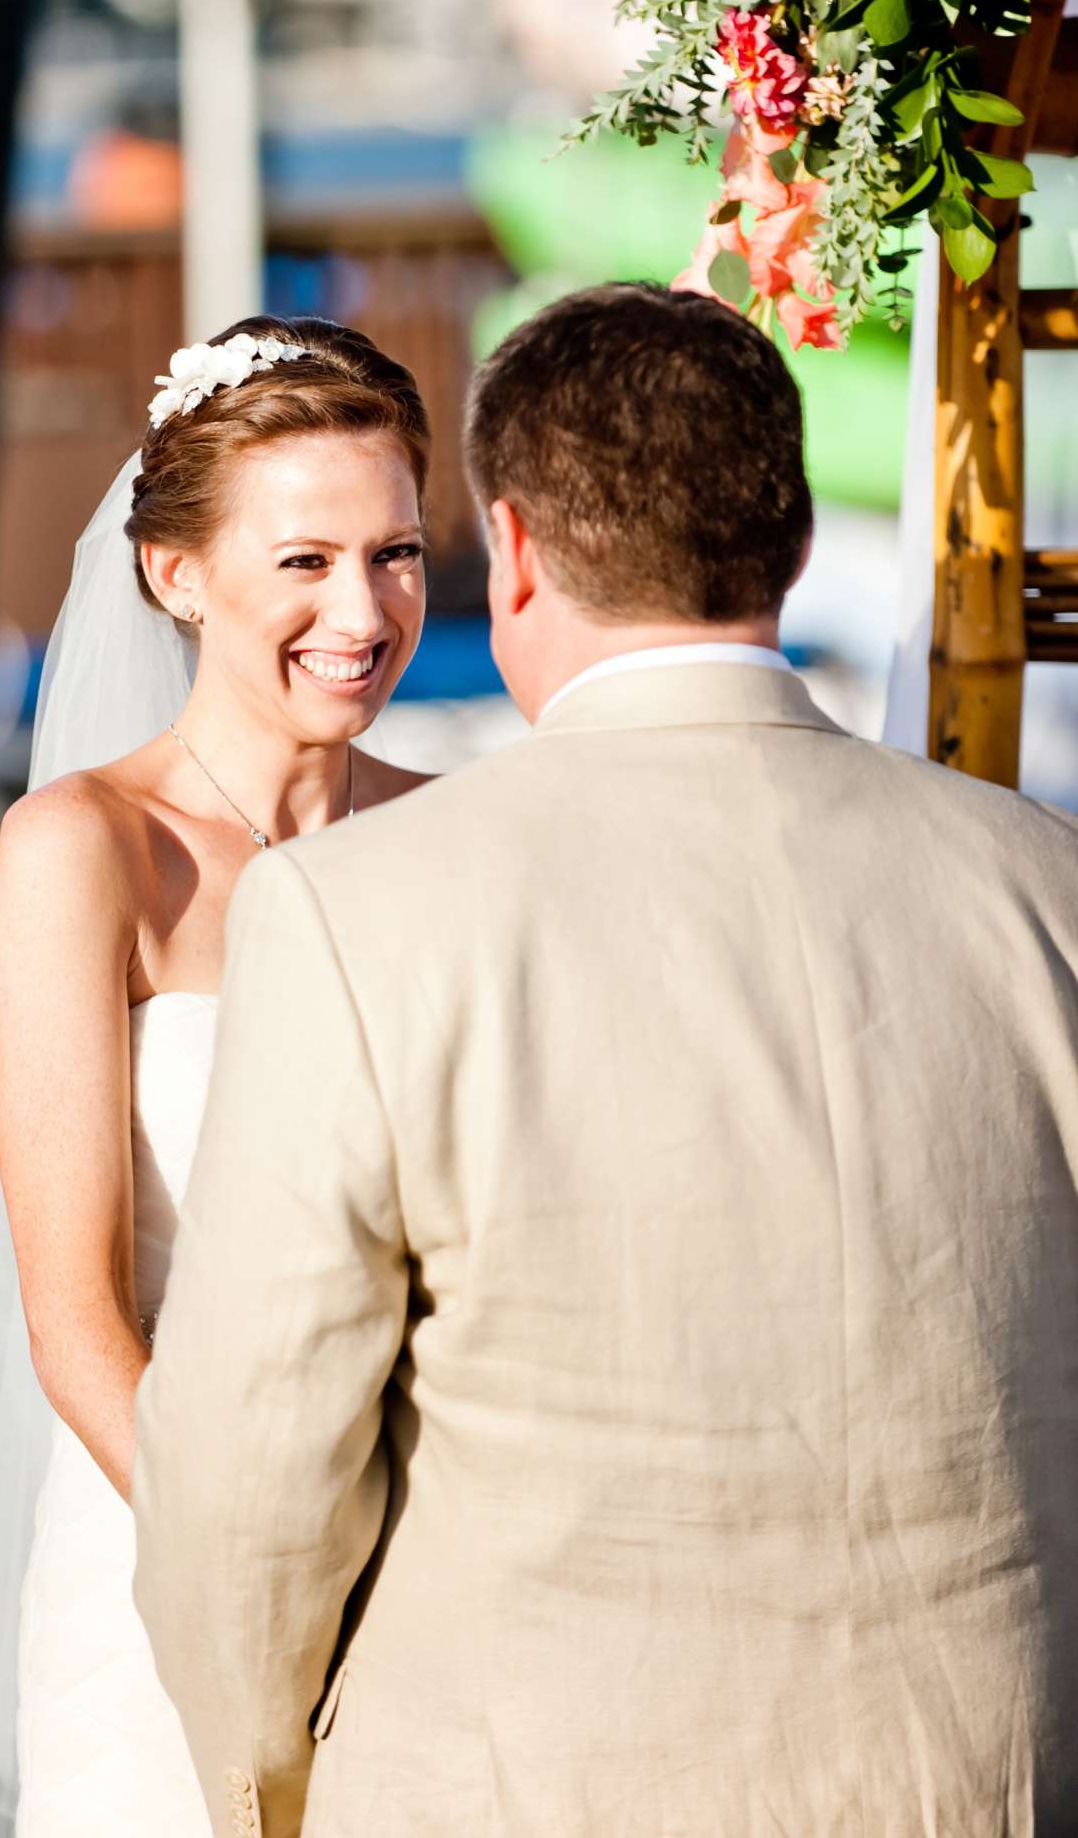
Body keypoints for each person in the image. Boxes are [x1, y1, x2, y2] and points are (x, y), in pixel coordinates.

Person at [134, 282, 1078, 1838]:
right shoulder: (1043, 885)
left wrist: (273, 1795)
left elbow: (251, 1481)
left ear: (505, 549)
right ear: (782, 538)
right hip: (988, 1779)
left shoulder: (359, 914)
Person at [0, 315, 431, 1838]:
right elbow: (74, 1319)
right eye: (303, 561)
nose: (361, 610)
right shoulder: (85, 852)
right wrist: (260, 1576)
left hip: (433, 1572)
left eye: (396, 553)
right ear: (178, 576)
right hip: (157, 1559)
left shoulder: (452, 838)